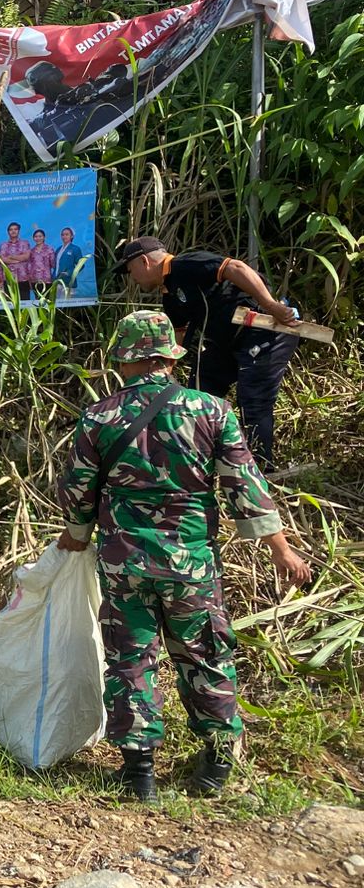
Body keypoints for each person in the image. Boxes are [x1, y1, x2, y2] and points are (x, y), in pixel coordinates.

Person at [58, 310, 311, 802]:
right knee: (205, 655)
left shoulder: (99, 416)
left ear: (126, 360)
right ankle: (216, 767)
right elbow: (245, 486)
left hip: (124, 561)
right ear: (169, 357)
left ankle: (140, 775)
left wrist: (75, 537)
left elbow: (80, 494)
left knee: (131, 661)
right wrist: (280, 548)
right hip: (190, 563)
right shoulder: (211, 411)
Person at [118, 236, 299, 469]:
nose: (131, 278)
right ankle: (200, 462)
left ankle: (261, 469)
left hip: (262, 331)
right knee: (200, 390)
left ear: (144, 262)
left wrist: (271, 306)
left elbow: (235, 267)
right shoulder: (170, 295)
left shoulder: (185, 264)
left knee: (252, 399)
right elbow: (177, 336)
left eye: (130, 270)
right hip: (227, 342)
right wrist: (164, 374)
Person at [55, 226, 84, 291]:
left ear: (72, 236)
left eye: (67, 234)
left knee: (67, 301)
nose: (64, 236)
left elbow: (81, 265)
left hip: (68, 282)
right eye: (62, 235)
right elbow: (56, 265)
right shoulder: (58, 249)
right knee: (56, 301)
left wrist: (69, 273)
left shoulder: (75, 249)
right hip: (57, 282)